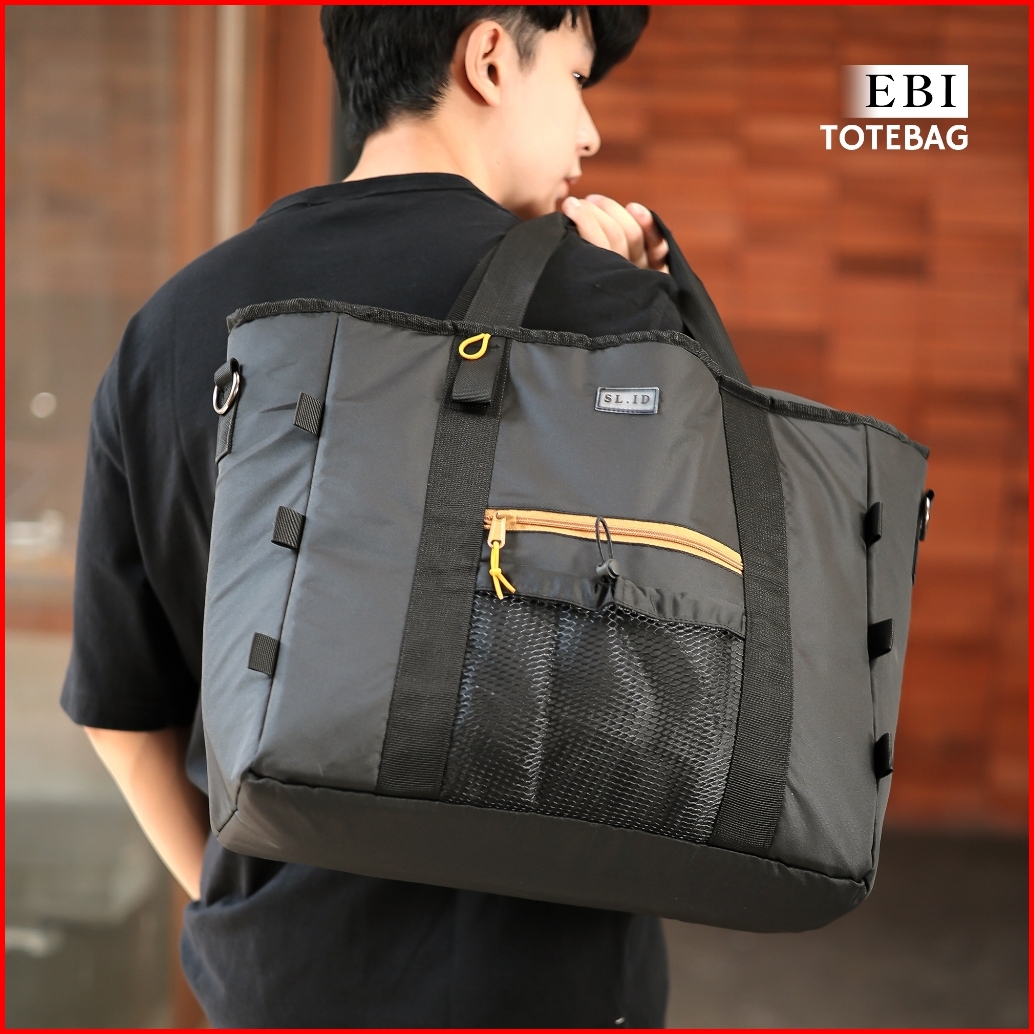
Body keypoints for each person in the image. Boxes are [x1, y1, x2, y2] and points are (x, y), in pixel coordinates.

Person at [61, 6, 684, 1026]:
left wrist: (237, 894)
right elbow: (675, 656)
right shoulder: (604, 310)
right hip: (546, 984)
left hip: (282, 983)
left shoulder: (168, 328)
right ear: (490, 59)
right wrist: (651, 328)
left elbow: (120, 708)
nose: (589, 133)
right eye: (576, 79)